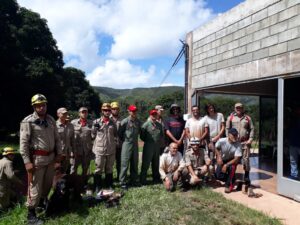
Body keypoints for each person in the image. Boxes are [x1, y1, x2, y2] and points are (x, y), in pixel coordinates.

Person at [20, 94, 62, 224]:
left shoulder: (50, 120)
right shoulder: (28, 121)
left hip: (50, 158)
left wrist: (59, 154)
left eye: (44, 105)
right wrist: (27, 162)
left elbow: (57, 139)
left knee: (47, 185)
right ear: (34, 107)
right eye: (39, 106)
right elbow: (23, 144)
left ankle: (41, 204)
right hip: (37, 160)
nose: (42, 107)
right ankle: (31, 214)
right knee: (35, 188)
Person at [226, 102, 254, 185]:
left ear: (242, 109)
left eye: (240, 108)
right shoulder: (230, 118)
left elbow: (252, 129)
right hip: (234, 143)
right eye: (237, 108)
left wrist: (251, 139)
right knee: (234, 159)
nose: (238, 109)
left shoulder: (247, 118)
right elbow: (227, 129)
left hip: (245, 142)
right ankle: (232, 176)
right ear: (235, 109)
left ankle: (247, 176)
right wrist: (229, 139)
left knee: (246, 159)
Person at [92, 103, 117, 191]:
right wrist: (95, 129)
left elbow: (115, 134)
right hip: (100, 149)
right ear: (102, 111)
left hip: (110, 149)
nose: (107, 112)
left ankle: (109, 184)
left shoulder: (112, 123)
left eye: (109, 110)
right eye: (105, 110)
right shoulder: (96, 122)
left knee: (109, 168)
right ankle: (97, 186)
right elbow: (92, 135)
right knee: (99, 168)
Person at [119, 105, 141, 189]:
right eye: (132, 111)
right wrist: (125, 141)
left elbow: (139, 131)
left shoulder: (138, 122)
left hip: (135, 144)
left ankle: (134, 180)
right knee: (124, 163)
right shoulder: (124, 121)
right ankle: (122, 182)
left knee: (134, 163)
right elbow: (119, 133)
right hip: (126, 143)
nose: (134, 112)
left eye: (135, 111)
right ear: (129, 111)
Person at [140, 109, 164, 185]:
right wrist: (148, 141)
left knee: (156, 163)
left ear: (157, 115)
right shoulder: (146, 125)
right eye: (152, 115)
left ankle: (156, 178)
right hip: (148, 145)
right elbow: (142, 136)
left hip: (157, 146)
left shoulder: (159, 125)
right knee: (146, 163)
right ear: (150, 115)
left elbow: (161, 135)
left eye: (155, 114)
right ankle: (143, 179)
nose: (154, 116)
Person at [215, 128, 242, 193]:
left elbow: (236, 159)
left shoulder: (238, 144)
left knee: (231, 168)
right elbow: (216, 148)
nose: (235, 137)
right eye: (234, 135)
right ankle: (232, 179)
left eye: (236, 135)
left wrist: (226, 165)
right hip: (223, 159)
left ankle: (228, 185)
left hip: (232, 160)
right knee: (217, 176)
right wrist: (219, 157)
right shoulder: (222, 141)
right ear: (229, 135)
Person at [71, 107, 93, 176]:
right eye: (82, 112)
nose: (84, 114)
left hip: (86, 150)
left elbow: (93, 136)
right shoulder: (73, 123)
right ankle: (72, 183)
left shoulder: (91, 123)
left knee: (85, 167)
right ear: (79, 113)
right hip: (76, 150)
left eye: (86, 112)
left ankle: (84, 183)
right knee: (74, 167)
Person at [56, 107, 75, 174]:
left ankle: (63, 183)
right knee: (56, 170)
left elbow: (72, 140)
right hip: (58, 153)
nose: (65, 115)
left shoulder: (71, 126)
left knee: (65, 169)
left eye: (66, 113)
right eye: (63, 113)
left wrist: (73, 151)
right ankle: (55, 183)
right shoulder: (54, 126)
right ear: (58, 114)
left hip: (67, 152)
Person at [110, 101, 123, 180]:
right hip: (110, 145)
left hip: (120, 144)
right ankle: (110, 178)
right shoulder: (108, 119)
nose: (115, 110)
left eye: (117, 109)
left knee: (120, 162)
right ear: (111, 110)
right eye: (113, 109)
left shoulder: (122, 119)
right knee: (110, 163)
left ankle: (119, 177)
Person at [288, 107, 300, 180]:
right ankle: (294, 175)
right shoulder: (292, 120)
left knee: (293, 161)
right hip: (293, 143)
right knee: (293, 161)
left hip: (297, 143)